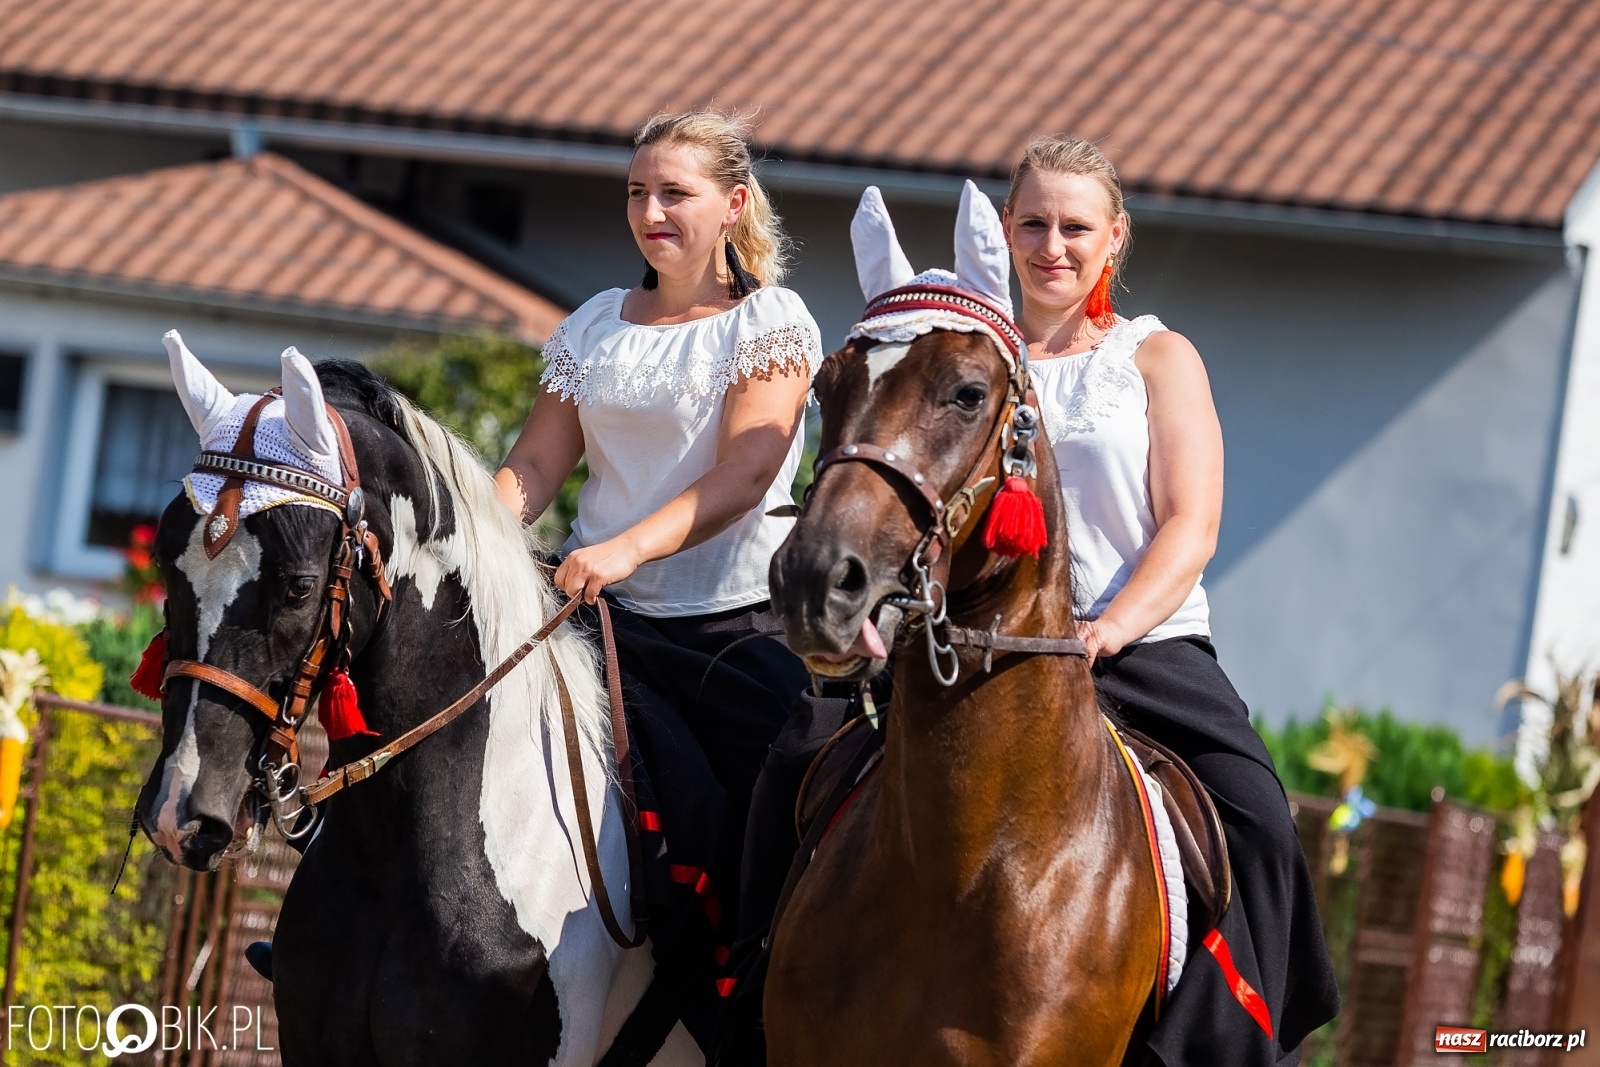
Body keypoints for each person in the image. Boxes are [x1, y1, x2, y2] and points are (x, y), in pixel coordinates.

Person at [1001, 134, 1340, 1065]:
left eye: (1076, 227)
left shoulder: (1157, 356)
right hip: (992, 652)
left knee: (1261, 823)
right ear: (1005, 227)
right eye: (1034, 223)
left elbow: (1192, 524)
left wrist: (1106, 629)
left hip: (1139, 647)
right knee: (809, 765)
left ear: (1115, 237)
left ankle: (1224, 1046)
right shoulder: (973, 352)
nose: (1053, 246)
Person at [492, 111, 821, 1052]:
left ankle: (753, 1012)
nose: (651, 212)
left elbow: (744, 475)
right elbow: (535, 467)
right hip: (594, 620)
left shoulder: (770, 322)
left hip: (732, 633)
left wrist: (626, 549)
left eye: (675, 193)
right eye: (638, 192)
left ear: (734, 204)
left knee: (774, 815)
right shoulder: (595, 323)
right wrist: (471, 531)